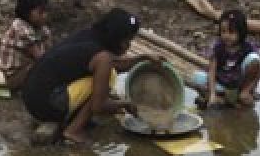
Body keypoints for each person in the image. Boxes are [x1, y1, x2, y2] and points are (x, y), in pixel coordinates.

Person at [21, 8, 158, 144]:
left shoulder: (91, 35)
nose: (128, 45)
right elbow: (98, 107)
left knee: (105, 75)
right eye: (128, 40)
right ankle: (73, 130)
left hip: (32, 96)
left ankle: (72, 118)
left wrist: (141, 59)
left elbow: (117, 64)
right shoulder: (102, 58)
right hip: (44, 105)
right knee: (108, 78)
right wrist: (123, 105)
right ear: (119, 40)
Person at [188, 8, 260, 108]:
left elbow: (259, 71)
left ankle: (242, 94)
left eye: (231, 32)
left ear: (241, 32)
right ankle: (224, 100)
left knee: (254, 60)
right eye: (223, 31)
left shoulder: (247, 48)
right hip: (222, 82)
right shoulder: (218, 48)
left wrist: (249, 89)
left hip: (238, 84)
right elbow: (212, 71)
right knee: (196, 77)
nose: (226, 35)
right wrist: (212, 94)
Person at [0, 0, 52, 93]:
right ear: (26, 12)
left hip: (21, 71)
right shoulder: (21, 28)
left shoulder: (41, 28)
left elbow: (49, 48)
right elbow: (40, 58)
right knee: (38, 66)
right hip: (9, 77)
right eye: (40, 12)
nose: (45, 16)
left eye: (46, 11)